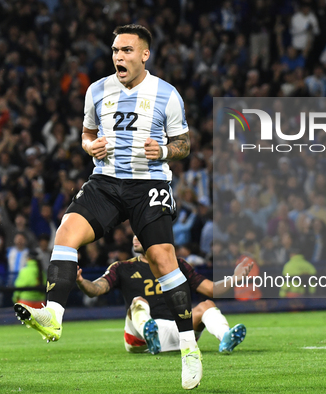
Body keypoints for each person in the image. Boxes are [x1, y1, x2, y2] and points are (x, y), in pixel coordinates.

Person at [13, 24, 200, 389]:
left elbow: (184, 144)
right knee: (66, 231)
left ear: (145, 54)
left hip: (149, 184)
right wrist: (89, 146)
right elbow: (86, 133)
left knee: (163, 259)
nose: (119, 57)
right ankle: (53, 315)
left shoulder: (167, 94)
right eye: (115, 50)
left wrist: (163, 150)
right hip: (107, 181)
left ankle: (189, 348)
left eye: (127, 50)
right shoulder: (97, 90)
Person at [76, 236, 252, 355]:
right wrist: (81, 281)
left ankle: (226, 338)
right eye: (135, 234)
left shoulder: (179, 265)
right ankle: (149, 332)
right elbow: (96, 289)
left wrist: (234, 279)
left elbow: (212, 289)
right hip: (139, 338)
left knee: (207, 304)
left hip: (178, 331)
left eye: (141, 233)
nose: (135, 237)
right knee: (138, 301)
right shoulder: (122, 267)